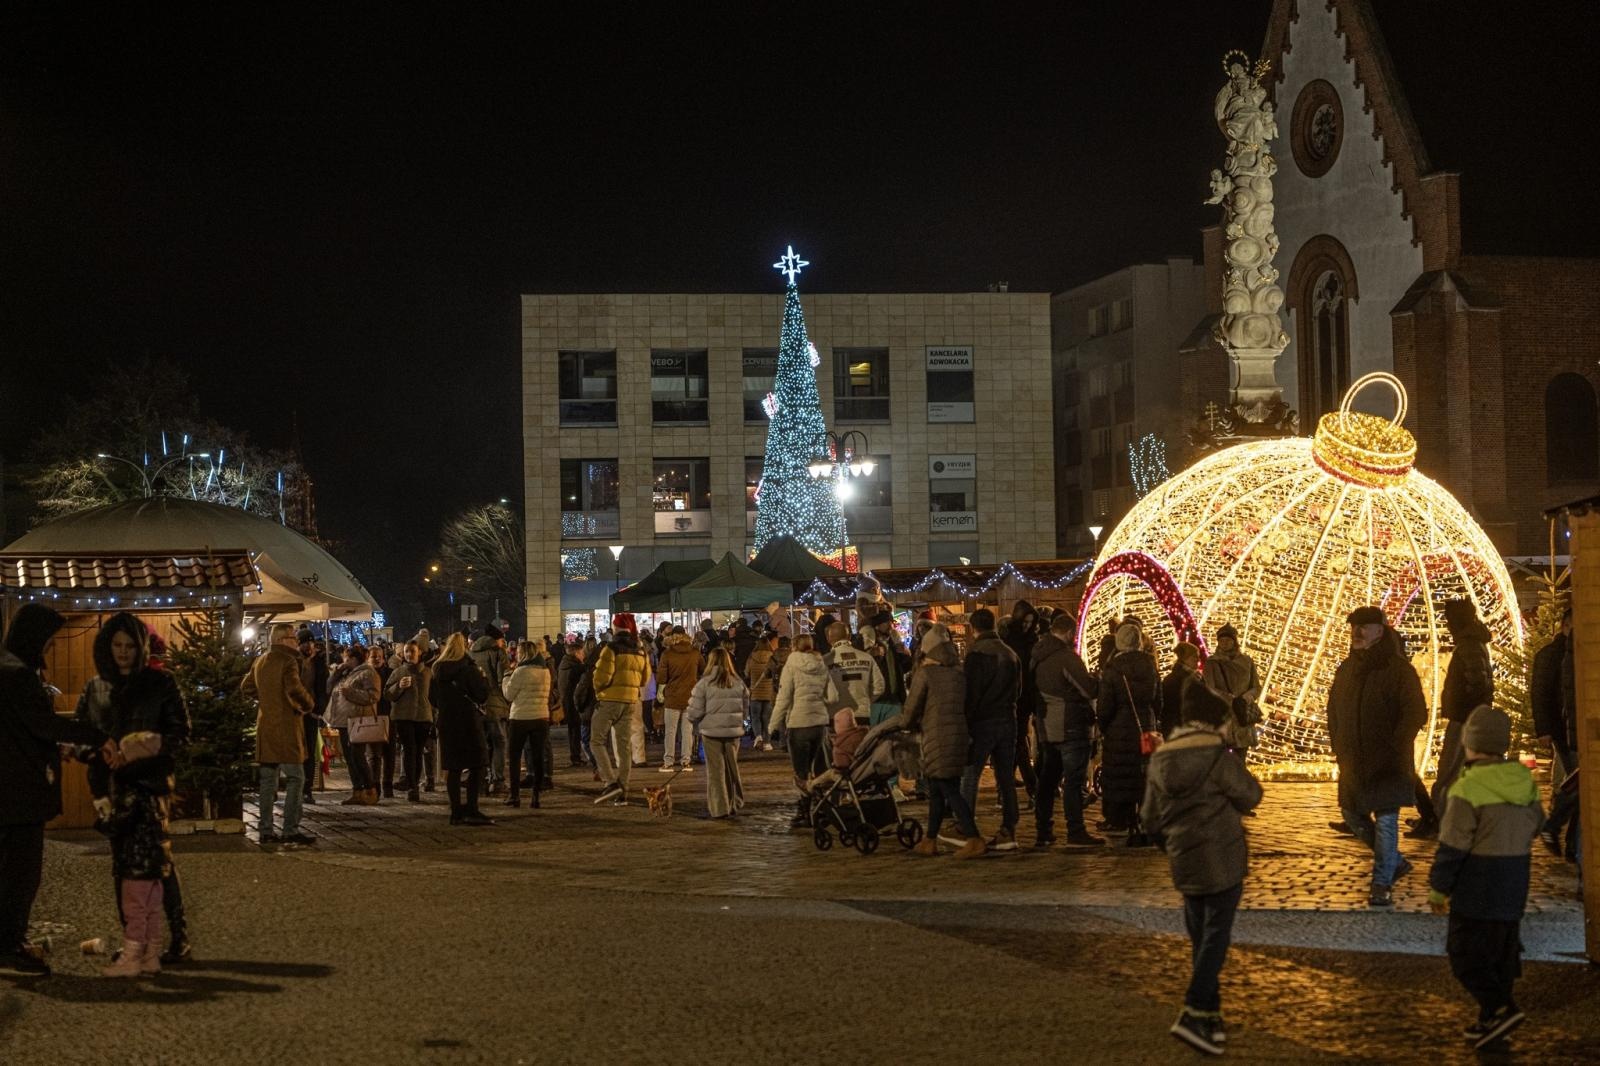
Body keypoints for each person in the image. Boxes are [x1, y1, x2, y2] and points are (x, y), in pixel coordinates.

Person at [1141, 684, 1264, 1056]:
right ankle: (1195, 1007)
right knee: (1215, 937)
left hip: (1184, 859)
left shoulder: (1161, 760)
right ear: (1214, 723)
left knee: (1200, 935)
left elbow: (1149, 819)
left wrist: (1173, 844)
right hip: (1222, 857)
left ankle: (1209, 1017)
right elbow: (1251, 795)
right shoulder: (1216, 757)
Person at [75, 612, 194, 965]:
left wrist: (139, 750)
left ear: (140, 647)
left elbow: (180, 734)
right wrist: (96, 750)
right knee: (122, 866)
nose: (123, 652)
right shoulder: (96, 688)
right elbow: (80, 732)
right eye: (117, 645)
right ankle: (134, 940)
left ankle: (178, 938)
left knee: (159, 864)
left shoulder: (161, 684)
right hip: (110, 790)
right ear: (106, 647)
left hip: (150, 787)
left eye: (129, 645)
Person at [0, 604, 112, 977]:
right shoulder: (14, 674)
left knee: (14, 871)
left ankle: (9, 942)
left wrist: (53, 748)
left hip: (13, 788)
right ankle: (9, 947)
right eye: (46, 643)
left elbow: (23, 731)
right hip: (15, 794)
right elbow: (42, 724)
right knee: (21, 872)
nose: (47, 650)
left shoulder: (10, 669)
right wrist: (95, 735)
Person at [1428, 704, 1545, 1050]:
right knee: (1502, 954)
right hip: (1514, 882)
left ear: (1471, 744)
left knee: (1464, 954)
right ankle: (1491, 1022)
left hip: (1476, 885)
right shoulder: (1523, 780)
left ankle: (1500, 1007)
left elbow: (1452, 845)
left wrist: (1439, 888)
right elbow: (1538, 823)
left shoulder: (1466, 789)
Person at [1327, 606, 1428, 906]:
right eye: (1354, 627)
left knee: (1385, 821)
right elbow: (1333, 709)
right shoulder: (1347, 668)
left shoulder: (1398, 670)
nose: (1357, 632)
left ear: (1380, 632)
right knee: (1352, 815)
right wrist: (1338, 744)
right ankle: (1394, 861)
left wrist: (1396, 745)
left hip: (1388, 761)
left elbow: (1415, 712)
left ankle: (1381, 883)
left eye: (1364, 627)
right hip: (1353, 759)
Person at [903, 624, 983, 858]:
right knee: (938, 788)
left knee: (948, 788)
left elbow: (912, 708)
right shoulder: (958, 672)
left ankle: (973, 837)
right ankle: (930, 839)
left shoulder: (926, 673)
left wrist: (904, 724)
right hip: (958, 733)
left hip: (936, 734)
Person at [1031, 612, 1102, 847]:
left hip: (1046, 726)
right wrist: (1097, 680)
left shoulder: (1038, 655)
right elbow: (1088, 689)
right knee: (1073, 781)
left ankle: (1043, 829)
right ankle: (1076, 830)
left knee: (1048, 780)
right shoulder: (1066, 658)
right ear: (1070, 633)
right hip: (1070, 725)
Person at [244, 624, 317, 844]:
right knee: (297, 778)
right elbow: (294, 689)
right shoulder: (288, 661)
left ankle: (265, 830)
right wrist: (308, 704)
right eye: (293, 637)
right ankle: (290, 829)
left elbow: (246, 687)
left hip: (266, 726)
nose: (296, 641)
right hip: (286, 727)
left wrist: (266, 699)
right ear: (283, 639)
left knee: (268, 781)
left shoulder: (260, 661)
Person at [959, 608, 1023, 851]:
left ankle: (965, 825)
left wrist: (967, 721)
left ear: (974, 628)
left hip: (983, 721)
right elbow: (1018, 691)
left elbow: (972, 694)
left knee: (971, 772)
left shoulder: (977, 653)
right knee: (1005, 777)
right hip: (1008, 719)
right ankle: (1009, 828)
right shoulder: (1010, 653)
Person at [1097, 622, 1162, 838]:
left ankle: (1119, 818)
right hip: (1147, 726)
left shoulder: (1113, 667)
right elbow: (1158, 700)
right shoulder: (1150, 665)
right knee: (1146, 772)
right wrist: (1153, 720)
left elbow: (1106, 705)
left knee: (1120, 772)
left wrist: (1105, 725)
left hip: (1120, 726)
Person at [1430, 598, 1494, 815]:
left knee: (1450, 767)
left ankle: (1440, 815)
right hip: (1468, 716)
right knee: (1457, 767)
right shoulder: (1472, 642)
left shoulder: (1469, 645)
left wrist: (1466, 708)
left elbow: (1478, 681)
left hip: (1465, 718)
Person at [769, 633, 838, 828]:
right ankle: (821, 809)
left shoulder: (791, 665)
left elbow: (783, 698)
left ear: (794, 647)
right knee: (819, 770)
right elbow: (833, 697)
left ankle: (805, 811)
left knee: (801, 772)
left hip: (799, 723)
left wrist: (773, 725)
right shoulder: (821, 664)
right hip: (819, 724)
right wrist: (818, 703)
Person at [429, 633, 494, 826]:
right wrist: (484, 680)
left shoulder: (437, 670)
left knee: (454, 767)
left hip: (447, 721)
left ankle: (455, 811)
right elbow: (482, 695)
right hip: (468, 721)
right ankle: (472, 808)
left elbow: (432, 698)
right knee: (478, 764)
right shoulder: (469, 669)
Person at [590, 614, 652, 806]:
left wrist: (599, 690)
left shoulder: (611, 649)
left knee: (597, 741)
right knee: (624, 747)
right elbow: (644, 679)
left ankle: (610, 782)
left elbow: (601, 678)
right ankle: (622, 790)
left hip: (609, 700)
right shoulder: (641, 651)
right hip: (630, 701)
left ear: (615, 628)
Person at [1530, 609, 1578, 856]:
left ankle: (1574, 844)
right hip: (1564, 730)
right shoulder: (1551, 655)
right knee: (1577, 784)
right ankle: (1555, 826)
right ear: (1565, 626)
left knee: (1578, 785)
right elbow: (1540, 694)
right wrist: (1544, 729)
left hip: (1572, 728)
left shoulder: (1579, 653)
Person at [686, 647, 748, 819]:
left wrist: (695, 721)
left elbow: (694, 711)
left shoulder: (704, 683)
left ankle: (720, 808)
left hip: (711, 731)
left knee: (716, 771)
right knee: (731, 768)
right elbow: (745, 707)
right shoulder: (737, 682)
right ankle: (734, 801)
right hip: (733, 731)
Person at [325, 644, 381, 805]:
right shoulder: (345, 673)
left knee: (358, 756)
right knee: (350, 758)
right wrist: (336, 673)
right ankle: (357, 790)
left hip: (358, 720)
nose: (345, 660)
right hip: (343, 721)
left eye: (348, 658)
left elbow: (373, 696)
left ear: (355, 659)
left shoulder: (367, 673)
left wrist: (351, 693)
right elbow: (329, 688)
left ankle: (370, 789)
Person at [501, 641, 552, 809]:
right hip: (541, 717)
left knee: (515, 757)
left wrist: (506, 677)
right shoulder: (545, 671)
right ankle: (535, 796)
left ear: (522, 654)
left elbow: (509, 695)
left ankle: (514, 795)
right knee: (537, 757)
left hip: (520, 718)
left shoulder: (520, 671)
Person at [1004, 600, 1042, 801]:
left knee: (1017, 741)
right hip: (1012, 697)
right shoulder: (1009, 639)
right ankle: (1031, 785)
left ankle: (1008, 786)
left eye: (1030, 622)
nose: (1027, 626)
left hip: (1026, 697)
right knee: (1017, 742)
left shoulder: (1032, 640)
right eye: (1024, 622)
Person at [1201, 624, 1260, 752]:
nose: (1224, 643)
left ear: (1234, 641)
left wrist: (1247, 697)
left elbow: (1256, 686)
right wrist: (1229, 699)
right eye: (1221, 640)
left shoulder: (1247, 661)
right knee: (1223, 759)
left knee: (1240, 756)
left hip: (1242, 714)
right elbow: (1210, 688)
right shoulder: (1212, 662)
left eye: (1228, 640)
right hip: (1222, 714)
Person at [469, 625, 512, 796]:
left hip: (478, 706)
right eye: (503, 640)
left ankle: (484, 779)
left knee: (485, 744)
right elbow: (504, 681)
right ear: (497, 640)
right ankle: (498, 781)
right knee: (500, 743)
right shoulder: (498, 653)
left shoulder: (471, 653)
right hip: (496, 705)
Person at [657, 625, 702, 773]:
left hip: (673, 697)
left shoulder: (667, 654)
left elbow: (662, 677)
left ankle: (668, 762)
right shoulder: (695, 653)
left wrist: (660, 692)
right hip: (690, 697)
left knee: (670, 731)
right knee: (687, 731)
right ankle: (686, 761)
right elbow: (704, 669)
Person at [824, 621, 884, 725]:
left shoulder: (825, 661)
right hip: (862, 715)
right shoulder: (866, 657)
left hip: (835, 716)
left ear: (829, 639)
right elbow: (879, 687)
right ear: (850, 636)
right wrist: (865, 700)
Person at [863, 610, 912, 729]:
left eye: (891, 622)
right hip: (876, 700)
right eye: (886, 622)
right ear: (877, 625)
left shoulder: (894, 644)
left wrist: (904, 652)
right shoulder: (871, 645)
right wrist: (875, 654)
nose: (890, 626)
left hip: (894, 698)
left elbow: (906, 667)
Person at [297, 629, 329, 803]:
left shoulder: (318, 663)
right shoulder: (294, 661)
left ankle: (307, 788)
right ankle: (297, 786)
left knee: (309, 750)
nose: (309, 647)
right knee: (295, 750)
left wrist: (319, 709)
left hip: (311, 713)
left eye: (311, 643)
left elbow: (323, 689)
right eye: (305, 643)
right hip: (295, 711)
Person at [744, 630, 780, 751]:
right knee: (767, 718)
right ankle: (768, 742)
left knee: (755, 717)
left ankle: (758, 737)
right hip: (769, 693)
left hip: (755, 692)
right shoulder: (773, 658)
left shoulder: (751, 658)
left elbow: (746, 673)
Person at [557, 639, 590, 768]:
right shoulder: (576, 667)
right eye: (582, 652)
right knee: (576, 730)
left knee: (573, 730)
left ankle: (575, 756)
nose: (584, 655)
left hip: (568, 701)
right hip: (573, 702)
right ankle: (576, 757)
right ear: (576, 653)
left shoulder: (565, 664)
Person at [368, 644, 396, 799]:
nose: (377, 658)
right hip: (372, 717)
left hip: (389, 717)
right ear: (368, 658)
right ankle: (375, 785)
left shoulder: (391, 673)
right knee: (374, 755)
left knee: (390, 753)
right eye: (373, 656)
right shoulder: (365, 674)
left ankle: (388, 784)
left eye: (379, 656)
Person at [1162, 642, 1201, 738]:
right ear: (1185, 658)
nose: (1198, 660)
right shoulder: (1180, 679)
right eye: (1194, 656)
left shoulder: (1192, 677)